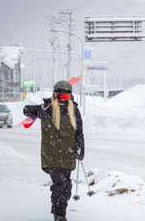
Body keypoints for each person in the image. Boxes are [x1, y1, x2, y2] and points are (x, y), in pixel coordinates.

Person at [23, 80, 84, 221]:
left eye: (65, 96)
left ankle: (61, 211)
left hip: (68, 154)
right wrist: (32, 109)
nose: (62, 99)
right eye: (59, 95)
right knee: (59, 183)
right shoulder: (46, 108)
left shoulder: (74, 111)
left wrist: (81, 148)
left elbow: (79, 132)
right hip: (51, 155)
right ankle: (59, 215)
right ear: (54, 95)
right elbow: (26, 110)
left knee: (67, 185)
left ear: (70, 96)